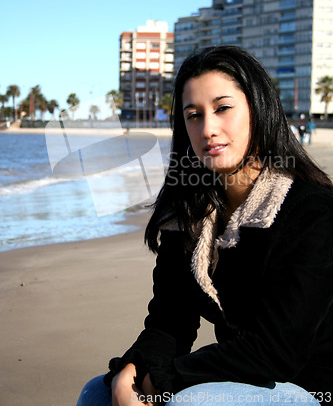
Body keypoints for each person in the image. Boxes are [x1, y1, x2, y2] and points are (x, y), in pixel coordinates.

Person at [76, 46, 333, 406]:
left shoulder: (311, 211)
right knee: (99, 394)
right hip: (249, 377)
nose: (208, 128)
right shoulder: (190, 212)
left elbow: (278, 351)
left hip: (311, 387)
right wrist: (134, 369)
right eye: (193, 115)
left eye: (223, 108)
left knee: (188, 402)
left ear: (258, 109)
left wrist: (166, 380)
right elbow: (170, 320)